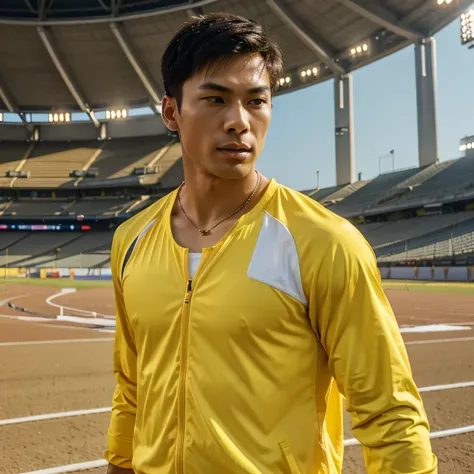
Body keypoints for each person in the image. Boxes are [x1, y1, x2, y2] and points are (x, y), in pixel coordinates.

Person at [105, 12, 437, 474]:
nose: (239, 121)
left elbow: (391, 413)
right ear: (171, 113)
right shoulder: (132, 240)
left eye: (255, 101)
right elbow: (132, 389)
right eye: (215, 99)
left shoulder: (324, 243)